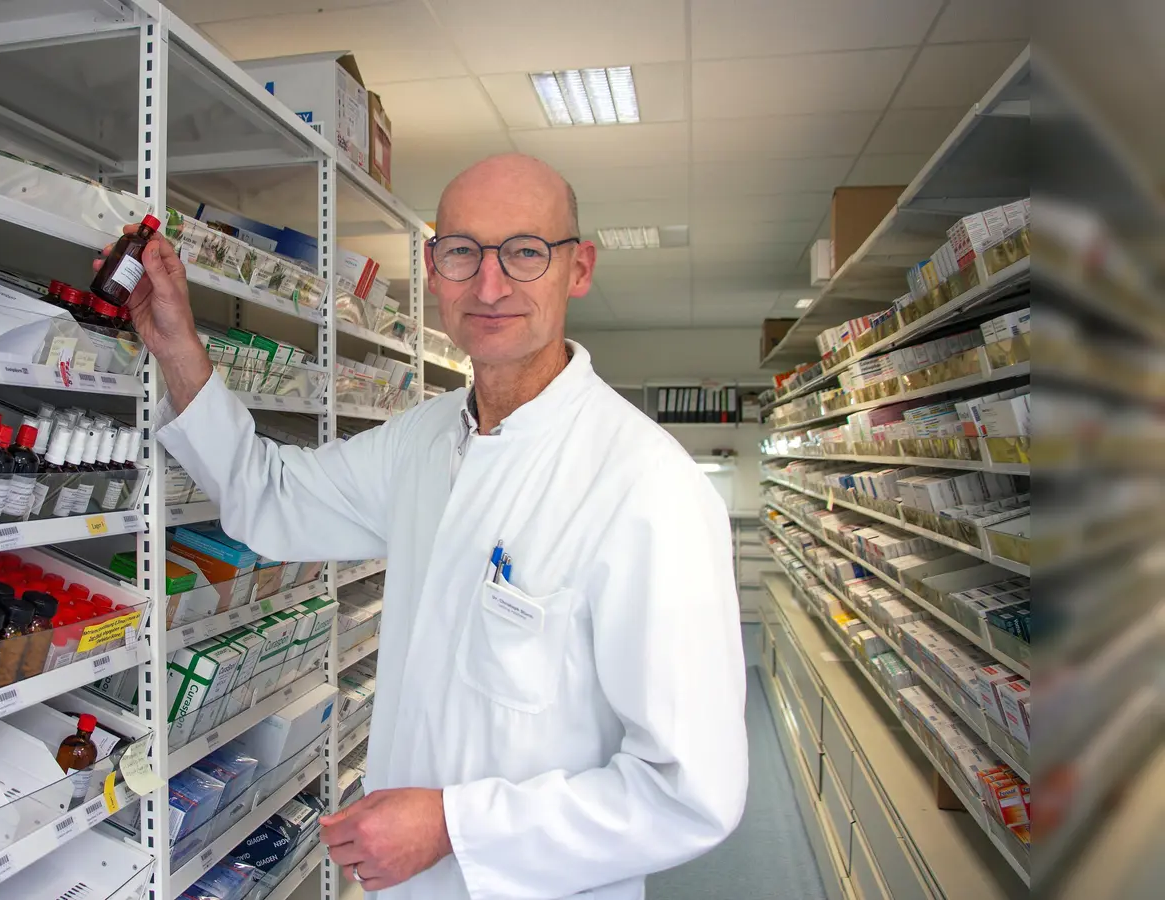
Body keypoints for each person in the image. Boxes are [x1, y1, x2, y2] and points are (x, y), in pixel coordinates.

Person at [100, 153, 748, 899]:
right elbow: (271, 496)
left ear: (579, 269)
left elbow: (689, 791)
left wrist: (452, 826)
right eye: (463, 252)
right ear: (435, 270)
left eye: (526, 252)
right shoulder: (424, 440)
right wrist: (176, 343)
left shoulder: (646, 484)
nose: (491, 284)